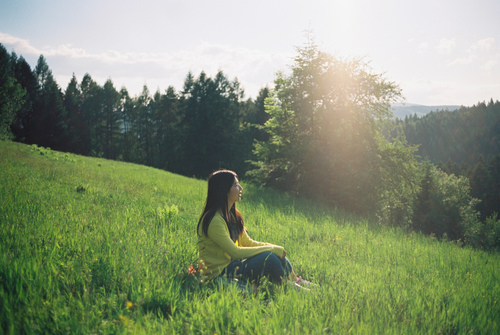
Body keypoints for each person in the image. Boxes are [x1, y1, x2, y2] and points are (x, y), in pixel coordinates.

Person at [196, 169, 314, 289]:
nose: (240, 187)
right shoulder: (214, 220)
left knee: (276, 255)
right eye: (236, 185)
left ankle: (296, 281)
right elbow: (235, 252)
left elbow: (247, 243)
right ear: (224, 190)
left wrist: (275, 248)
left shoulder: (231, 216)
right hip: (219, 272)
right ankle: (290, 287)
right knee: (270, 258)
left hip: (233, 265)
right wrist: (271, 249)